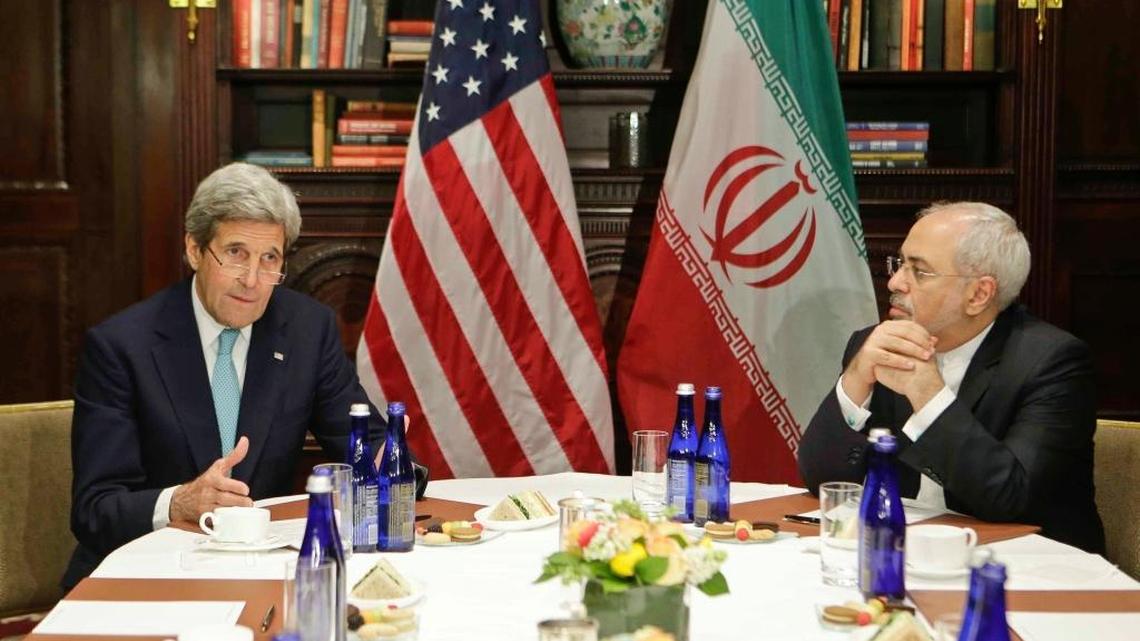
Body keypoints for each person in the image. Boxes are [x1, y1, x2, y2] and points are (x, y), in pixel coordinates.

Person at [64, 163, 427, 589]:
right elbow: (95, 509)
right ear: (195, 250)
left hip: (260, 571)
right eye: (235, 253)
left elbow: (364, 441)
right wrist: (180, 501)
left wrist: (389, 463)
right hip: (145, 576)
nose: (252, 280)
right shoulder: (121, 347)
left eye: (269, 259)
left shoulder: (307, 331)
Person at [798, 201, 1104, 553]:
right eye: (900, 264)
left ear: (978, 294)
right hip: (910, 552)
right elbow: (819, 478)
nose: (895, 281)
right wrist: (856, 378)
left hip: (1032, 568)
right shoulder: (878, 343)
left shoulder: (1052, 362)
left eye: (919, 271)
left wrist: (929, 396)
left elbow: (1011, 498)